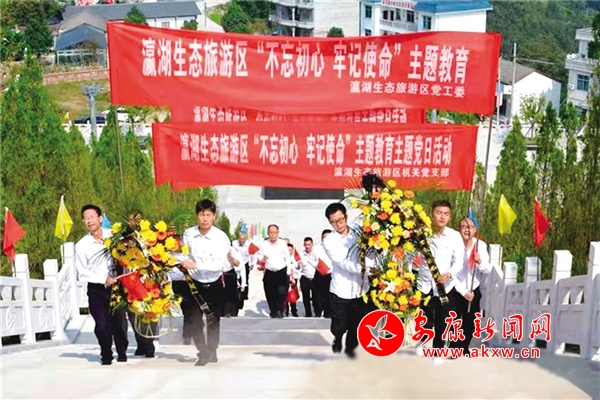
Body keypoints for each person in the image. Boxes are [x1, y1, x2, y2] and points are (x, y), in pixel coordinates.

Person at [180, 199, 232, 366]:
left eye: (208, 215)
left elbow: (219, 265)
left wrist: (196, 265)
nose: (205, 219)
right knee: (194, 320)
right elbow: (184, 254)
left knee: (213, 319)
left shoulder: (221, 237)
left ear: (214, 216)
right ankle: (203, 352)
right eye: (202, 215)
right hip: (194, 283)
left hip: (214, 283)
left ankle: (212, 349)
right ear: (197, 216)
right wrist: (183, 262)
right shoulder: (189, 234)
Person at [75, 204, 128, 365]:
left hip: (117, 287)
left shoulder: (114, 236)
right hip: (96, 290)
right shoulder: (81, 245)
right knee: (101, 323)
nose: (89, 220)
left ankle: (122, 351)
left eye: (92, 217)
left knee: (119, 322)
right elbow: (82, 272)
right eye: (86, 218)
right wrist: (103, 279)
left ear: (100, 218)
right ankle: (106, 354)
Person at [416, 200, 465, 350]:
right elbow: (410, 256)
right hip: (424, 286)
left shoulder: (454, 236)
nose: (442, 217)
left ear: (450, 216)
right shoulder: (421, 234)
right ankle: (422, 349)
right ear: (431, 215)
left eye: (446, 214)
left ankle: (437, 353)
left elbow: (459, 261)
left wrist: (449, 274)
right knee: (424, 322)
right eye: (439, 213)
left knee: (442, 324)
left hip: (445, 287)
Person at [323, 203, 366, 359]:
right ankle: (338, 338)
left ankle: (350, 353)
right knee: (339, 326)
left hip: (359, 289)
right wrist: (366, 269)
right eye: (333, 222)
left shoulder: (358, 232)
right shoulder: (329, 241)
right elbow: (343, 262)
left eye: (340, 220)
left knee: (356, 325)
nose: (338, 224)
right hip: (340, 289)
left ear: (346, 217)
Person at [453, 217, 492, 352]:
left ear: (475, 230)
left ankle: (464, 347)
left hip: (473, 288)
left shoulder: (480, 245)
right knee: (454, 319)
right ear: (459, 230)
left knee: (471, 321)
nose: (467, 230)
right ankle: (454, 348)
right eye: (464, 227)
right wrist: (463, 291)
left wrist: (479, 261)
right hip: (456, 287)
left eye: (470, 227)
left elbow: (487, 269)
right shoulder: (454, 245)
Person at [255, 224, 290, 318]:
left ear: (278, 233)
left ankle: (280, 309)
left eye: (275, 232)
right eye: (271, 232)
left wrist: (289, 271)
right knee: (270, 293)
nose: (273, 235)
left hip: (281, 271)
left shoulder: (282, 243)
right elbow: (259, 256)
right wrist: (263, 258)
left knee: (282, 293)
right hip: (270, 272)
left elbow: (287, 257)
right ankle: (273, 311)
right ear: (268, 233)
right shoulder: (263, 244)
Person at [312, 229, 333, 318]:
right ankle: (318, 311)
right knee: (318, 294)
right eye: (324, 237)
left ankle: (328, 312)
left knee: (329, 294)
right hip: (319, 273)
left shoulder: (335, 247)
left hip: (331, 273)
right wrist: (317, 265)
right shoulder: (316, 248)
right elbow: (311, 259)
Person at [298, 237, 317, 317]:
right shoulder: (301, 254)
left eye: (309, 245)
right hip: (304, 277)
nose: (307, 247)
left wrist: (310, 261)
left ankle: (317, 312)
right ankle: (308, 313)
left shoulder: (316, 254)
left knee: (316, 297)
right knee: (306, 297)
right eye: (306, 245)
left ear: (312, 244)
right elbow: (298, 267)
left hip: (314, 277)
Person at [232, 231, 251, 307]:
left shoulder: (249, 244)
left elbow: (253, 255)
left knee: (244, 279)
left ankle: (244, 295)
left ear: (246, 239)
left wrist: (252, 263)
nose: (241, 240)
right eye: (240, 239)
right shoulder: (234, 243)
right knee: (235, 278)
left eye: (243, 239)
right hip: (236, 263)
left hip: (245, 263)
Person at [285, 243, 301, 317]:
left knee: (293, 295)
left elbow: (298, 268)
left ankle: (294, 311)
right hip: (285, 278)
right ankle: (286, 310)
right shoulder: (283, 258)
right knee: (285, 295)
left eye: (290, 250)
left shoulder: (295, 258)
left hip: (294, 279)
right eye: (288, 250)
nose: (289, 251)